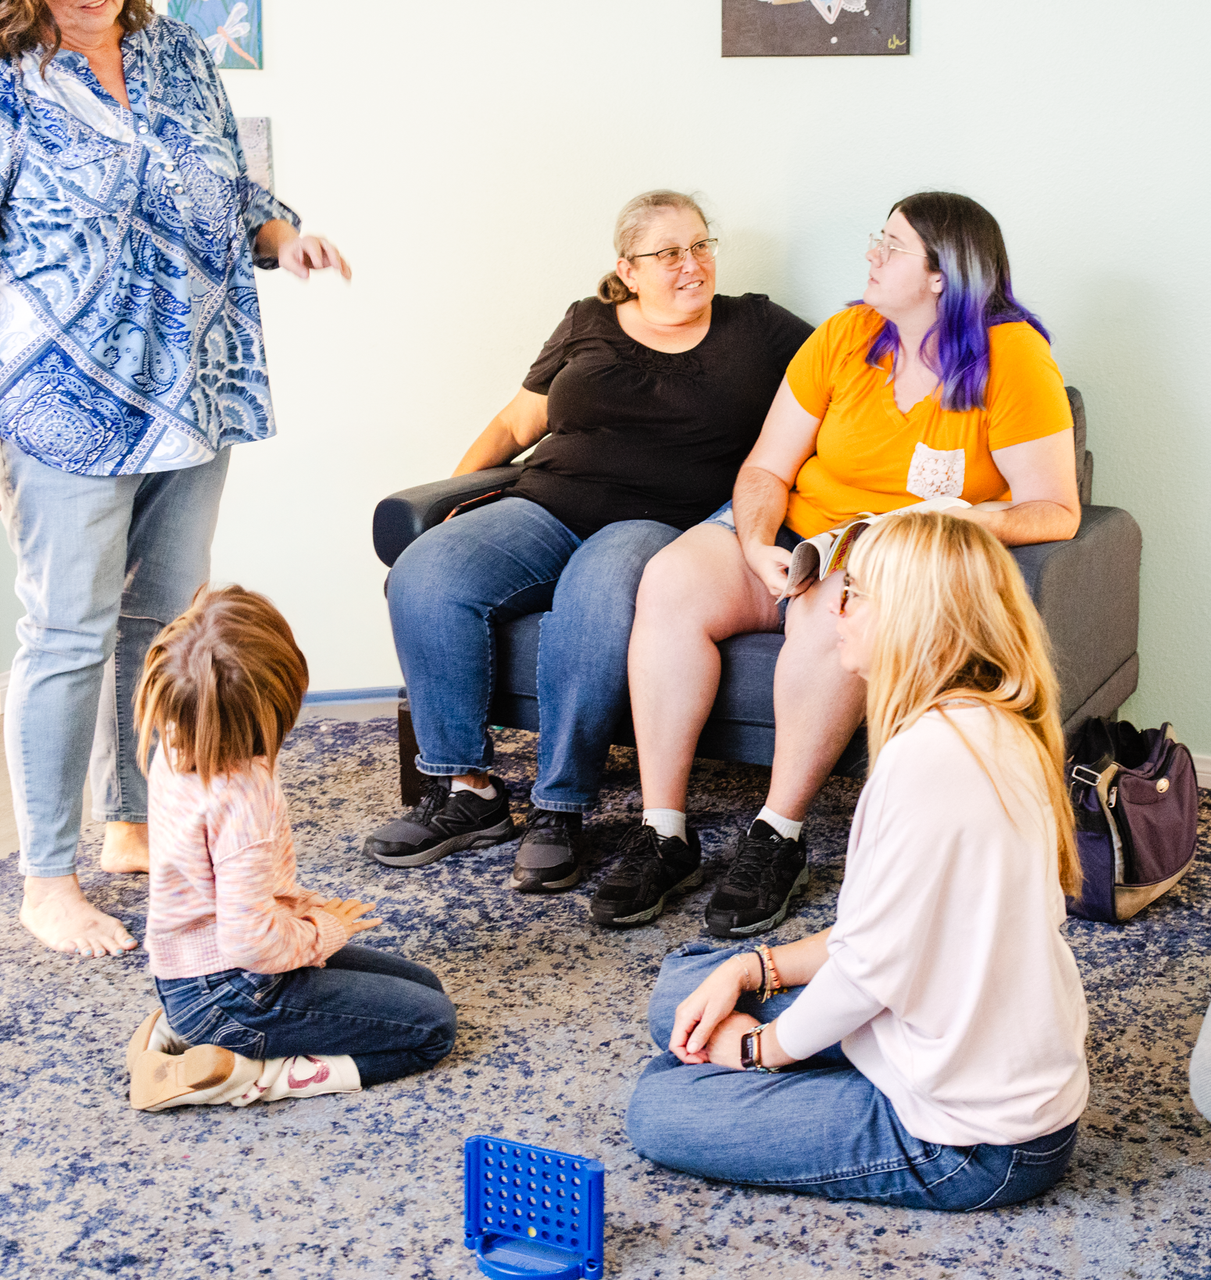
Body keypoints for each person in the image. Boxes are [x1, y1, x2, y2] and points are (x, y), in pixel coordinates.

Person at [0, 0, 348, 958]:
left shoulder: (175, 56)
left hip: (191, 380)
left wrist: (282, 236)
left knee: (160, 622)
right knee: (64, 630)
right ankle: (45, 878)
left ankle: (132, 819)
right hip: (62, 400)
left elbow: (224, 190)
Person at [598, 192, 1079, 934]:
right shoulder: (847, 334)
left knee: (835, 613)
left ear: (942, 275)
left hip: (882, 557)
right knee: (669, 581)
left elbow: (1055, 509)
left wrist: (959, 521)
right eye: (875, 241)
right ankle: (664, 832)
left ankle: (777, 836)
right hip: (793, 537)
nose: (870, 258)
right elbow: (765, 469)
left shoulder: (1010, 358)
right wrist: (759, 545)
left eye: (891, 247)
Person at [624, 512, 1089, 1208]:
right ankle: (788, 1052)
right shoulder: (988, 722)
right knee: (686, 988)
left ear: (914, 620)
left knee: (660, 1104)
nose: (834, 606)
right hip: (954, 1045)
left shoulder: (926, 763)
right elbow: (879, 940)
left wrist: (759, 1053)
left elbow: (869, 970)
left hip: (977, 1144)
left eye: (858, 592)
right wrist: (754, 967)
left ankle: (792, 1073)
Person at [370, 192, 812, 892]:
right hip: (543, 504)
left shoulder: (756, 326)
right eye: (668, 253)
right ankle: (468, 791)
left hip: (656, 525)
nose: (692, 265)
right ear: (627, 269)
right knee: (427, 570)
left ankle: (559, 807)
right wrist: (452, 500)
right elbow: (518, 426)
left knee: (596, 589)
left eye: (701, 245)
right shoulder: (587, 321)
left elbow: (843, 376)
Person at [127, 585, 456, 1108]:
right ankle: (249, 1074)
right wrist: (325, 931)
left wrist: (301, 913)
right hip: (237, 993)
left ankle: (178, 1030)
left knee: (424, 985)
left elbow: (228, 897)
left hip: (191, 975)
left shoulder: (177, 735)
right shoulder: (245, 799)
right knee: (433, 1028)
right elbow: (249, 945)